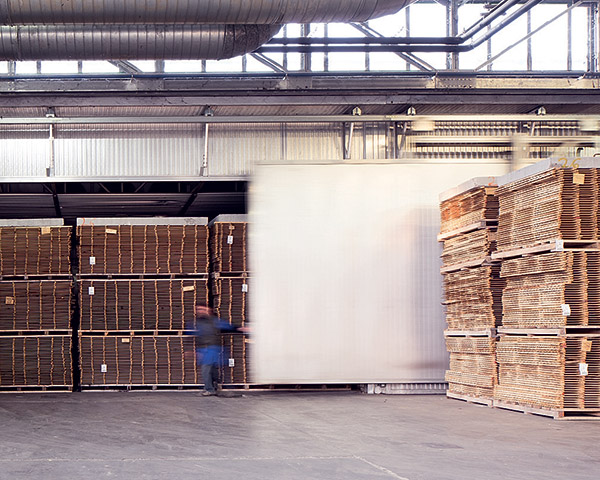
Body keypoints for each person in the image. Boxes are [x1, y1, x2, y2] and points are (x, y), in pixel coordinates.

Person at [189, 304, 246, 396]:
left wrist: (240, 329)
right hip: (203, 349)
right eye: (198, 309)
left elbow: (228, 326)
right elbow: (192, 335)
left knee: (206, 369)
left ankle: (210, 389)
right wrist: (194, 350)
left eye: (202, 309)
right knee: (212, 369)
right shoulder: (195, 323)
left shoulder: (215, 321)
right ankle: (214, 386)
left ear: (209, 310)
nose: (200, 311)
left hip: (213, 348)